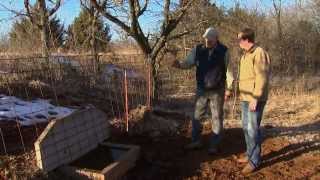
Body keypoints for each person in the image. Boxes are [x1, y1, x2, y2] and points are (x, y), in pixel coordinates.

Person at [172, 27, 234, 154]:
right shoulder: (198, 49)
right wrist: (179, 64)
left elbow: (229, 71)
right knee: (197, 116)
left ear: (216, 39)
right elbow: (188, 63)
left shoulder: (224, 51)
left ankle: (214, 145)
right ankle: (196, 141)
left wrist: (229, 88)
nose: (207, 41)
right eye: (206, 38)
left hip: (217, 90)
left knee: (216, 117)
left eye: (210, 39)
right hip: (202, 89)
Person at [226, 28, 271, 174]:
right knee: (246, 127)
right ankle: (249, 153)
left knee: (253, 129)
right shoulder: (246, 54)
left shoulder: (259, 53)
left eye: (240, 39)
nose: (238, 42)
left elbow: (262, 77)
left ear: (246, 40)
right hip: (245, 97)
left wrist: (255, 98)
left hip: (254, 99)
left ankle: (255, 161)